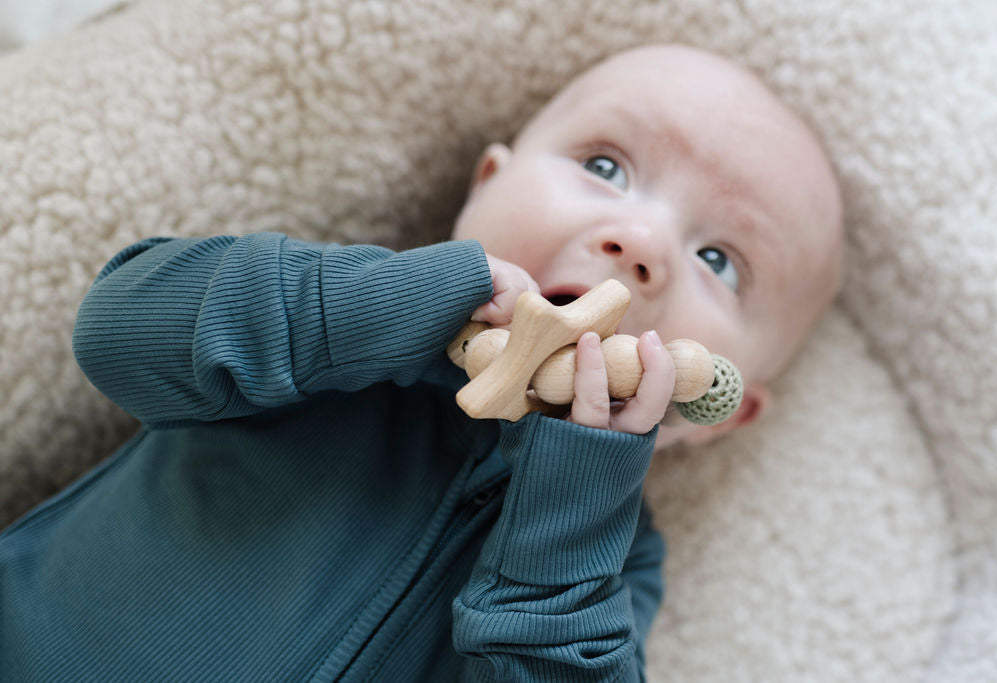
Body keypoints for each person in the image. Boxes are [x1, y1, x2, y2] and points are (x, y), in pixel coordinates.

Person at [0, 45, 842, 681]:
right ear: (483, 187)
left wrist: (572, 505)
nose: (643, 244)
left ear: (719, 412)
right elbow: (114, 330)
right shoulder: (327, 334)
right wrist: (383, 304)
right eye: (604, 167)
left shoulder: (609, 560)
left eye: (719, 259)